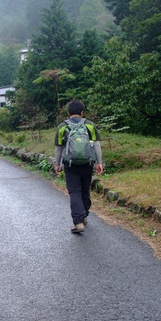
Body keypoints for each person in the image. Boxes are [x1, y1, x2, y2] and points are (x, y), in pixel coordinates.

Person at [54, 99, 103, 234]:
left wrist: (57, 164)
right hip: (87, 163)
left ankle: (78, 221)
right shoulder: (90, 125)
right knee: (85, 189)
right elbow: (97, 145)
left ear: (68, 113)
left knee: (74, 191)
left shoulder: (62, 126)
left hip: (70, 164)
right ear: (82, 112)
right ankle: (85, 215)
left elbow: (59, 148)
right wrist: (99, 162)